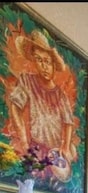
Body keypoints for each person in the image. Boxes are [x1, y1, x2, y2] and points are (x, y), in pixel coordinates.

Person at [8, 29, 77, 183]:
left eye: (47, 61)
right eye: (39, 60)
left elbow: (68, 122)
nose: (43, 66)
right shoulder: (27, 80)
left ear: (53, 64)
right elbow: (15, 106)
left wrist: (65, 146)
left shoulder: (60, 94)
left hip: (56, 152)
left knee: (59, 179)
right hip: (36, 147)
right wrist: (24, 139)